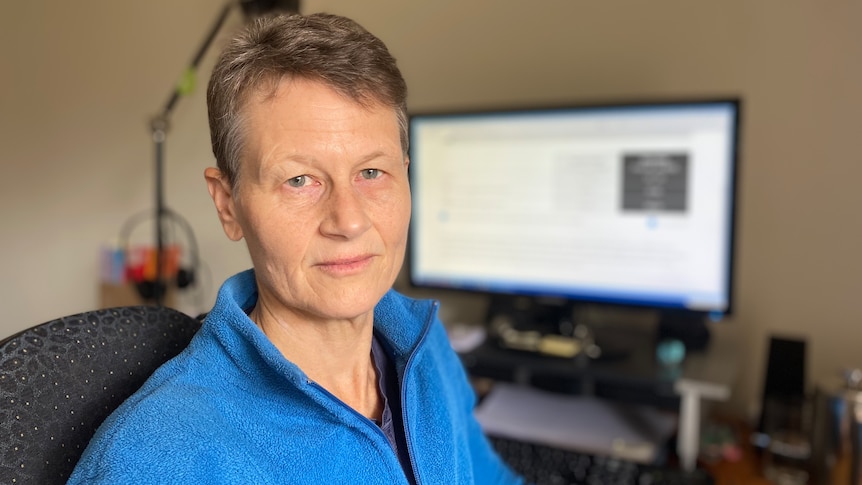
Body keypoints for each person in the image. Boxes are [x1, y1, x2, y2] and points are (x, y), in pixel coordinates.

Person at [69, 12, 523, 484]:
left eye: (372, 173)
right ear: (228, 205)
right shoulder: (153, 459)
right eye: (299, 180)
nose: (348, 220)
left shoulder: (424, 346)